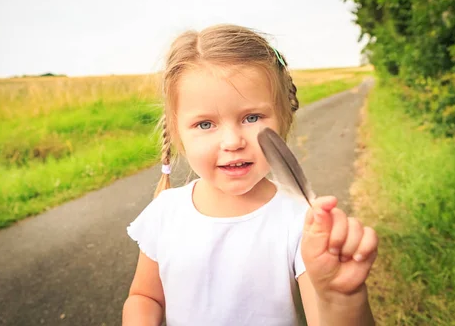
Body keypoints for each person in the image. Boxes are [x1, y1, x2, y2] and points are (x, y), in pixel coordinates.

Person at [122, 24, 378, 326]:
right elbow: (145, 296)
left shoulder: (301, 221)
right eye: (205, 124)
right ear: (177, 133)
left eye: (252, 117)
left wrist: (343, 298)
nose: (232, 142)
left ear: (282, 119)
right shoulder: (165, 212)